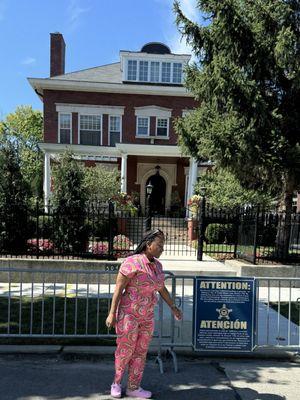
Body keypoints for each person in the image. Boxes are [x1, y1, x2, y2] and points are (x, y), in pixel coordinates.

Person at [106, 229, 182, 399]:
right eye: (160, 245)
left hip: (147, 317)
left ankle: (134, 387)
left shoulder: (157, 266)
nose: (162, 249)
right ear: (148, 245)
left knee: (140, 352)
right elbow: (119, 288)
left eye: (163, 245)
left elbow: (161, 288)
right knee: (125, 350)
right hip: (128, 314)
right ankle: (116, 383)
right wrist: (112, 313)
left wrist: (173, 307)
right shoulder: (131, 262)